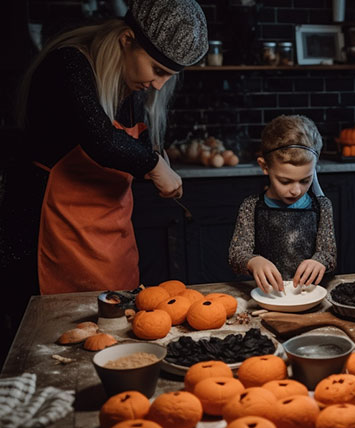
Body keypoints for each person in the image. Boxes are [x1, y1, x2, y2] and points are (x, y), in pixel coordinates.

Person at [1, 0, 208, 296]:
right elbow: (101, 140)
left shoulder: (133, 83)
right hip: (52, 235)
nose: (160, 85)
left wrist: (154, 158)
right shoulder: (68, 65)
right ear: (126, 40)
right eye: (157, 70)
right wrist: (153, 164)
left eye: (168, 76)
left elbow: (132, 147)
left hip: (110, 242)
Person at [228, 115, 336, 294]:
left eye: (305, 180)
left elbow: (329, 254)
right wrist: (253, 261)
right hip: (268, 296)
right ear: (264, 166)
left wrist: (320, 260)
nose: (296, 190)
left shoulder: (322, 206)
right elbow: (236, 255)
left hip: (308, 295)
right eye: (285, 181)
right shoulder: (251, 206)